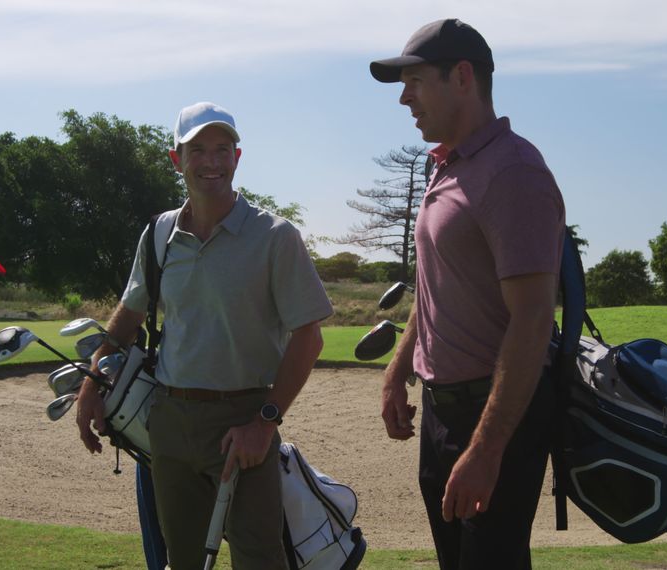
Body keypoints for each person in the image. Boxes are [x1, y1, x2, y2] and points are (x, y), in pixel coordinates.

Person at [75, 101, 332, 569]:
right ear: (176, 159)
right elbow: (130, 314)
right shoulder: (159, 234)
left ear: (238, 157)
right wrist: (92, 382)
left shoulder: (275, 236)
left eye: (222, 149)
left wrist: (265, 422)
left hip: (244, 419)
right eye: (198, 150)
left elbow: (308, 338)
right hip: (170, 418)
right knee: (183, 558)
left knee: (259, 558)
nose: (211, 161)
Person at [370, 18, 567, 570]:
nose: (405, 98)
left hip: (494, 413)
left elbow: (531, 319)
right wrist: (398, 368)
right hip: (443, 411)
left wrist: (487, 449)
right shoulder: (449, 167)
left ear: (462, 77)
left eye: (415, 81)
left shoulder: (513, 172)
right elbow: (438, 284)